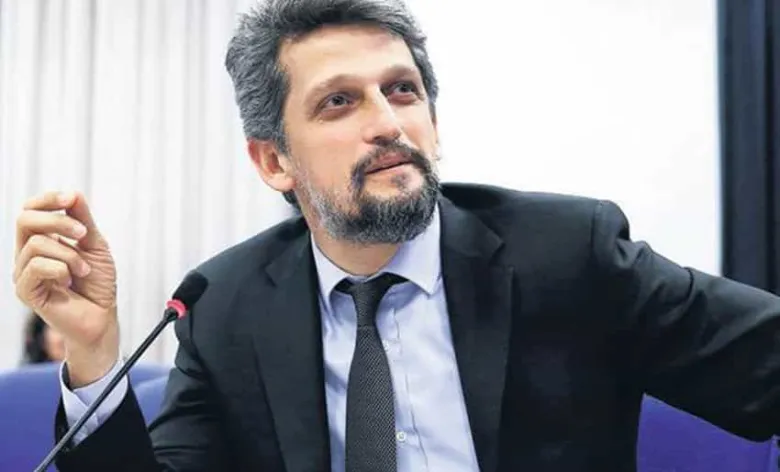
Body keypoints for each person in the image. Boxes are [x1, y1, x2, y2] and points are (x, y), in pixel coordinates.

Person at [11, 0, 780, 471]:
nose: (387, 123)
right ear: (274, 161)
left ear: (433, 123)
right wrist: (93, 352)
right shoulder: (229, 304)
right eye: (339, 102)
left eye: (402, 91)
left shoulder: (567, 253)